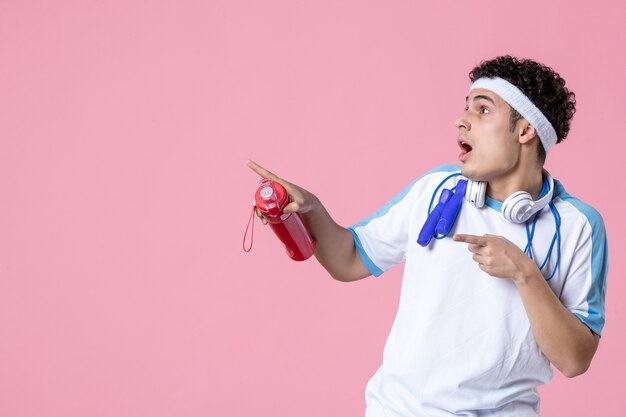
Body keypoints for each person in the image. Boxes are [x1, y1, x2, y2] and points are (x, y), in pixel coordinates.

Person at [246, 55, 608, 417]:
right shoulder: (436, 188)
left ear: (525, 130)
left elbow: (575, 360)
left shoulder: (578, 226)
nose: (461, 121)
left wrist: (524, 274)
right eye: (466, 108)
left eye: (482, 110)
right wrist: (313, 210)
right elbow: (349, 259)